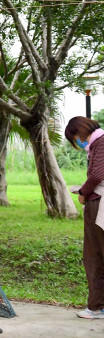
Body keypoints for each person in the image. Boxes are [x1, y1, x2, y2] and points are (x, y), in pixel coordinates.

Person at [65, 116, 104, 319]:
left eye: (75, 138)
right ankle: (98, 306)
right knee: (95, 256)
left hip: (99, 204)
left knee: (94, 256)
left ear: (79, 131)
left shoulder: (100, 142)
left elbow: (97, 175)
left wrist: (83, 192)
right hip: (96, 201)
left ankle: (97, 307)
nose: (78, 142)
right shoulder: (97, 144)